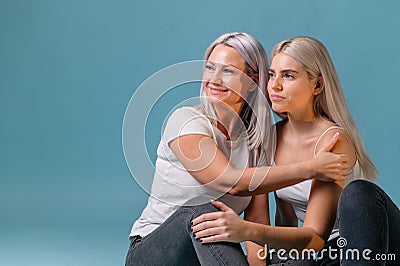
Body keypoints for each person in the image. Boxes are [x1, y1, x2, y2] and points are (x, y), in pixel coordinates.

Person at [125, 33, 350, 266]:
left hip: (206, 259)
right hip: (154, 253)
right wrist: (312, 168)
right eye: (210, 68)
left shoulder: (256, 141)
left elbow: (256, 224)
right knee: (203, 211)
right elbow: (231, 183)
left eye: (228, 71)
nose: (214, 79)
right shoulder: (186, 122)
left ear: (252, 81)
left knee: (298, 263)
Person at [192, 36, 400, 265]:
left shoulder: (333, 140)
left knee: (359, 192)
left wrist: (245, 230)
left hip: (367, 250)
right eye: (272, 75)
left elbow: (315, 236)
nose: (275, 86)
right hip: (323, 256)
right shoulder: (270, 137)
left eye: (288, 75)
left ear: (317, 85)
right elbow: (286, 224)